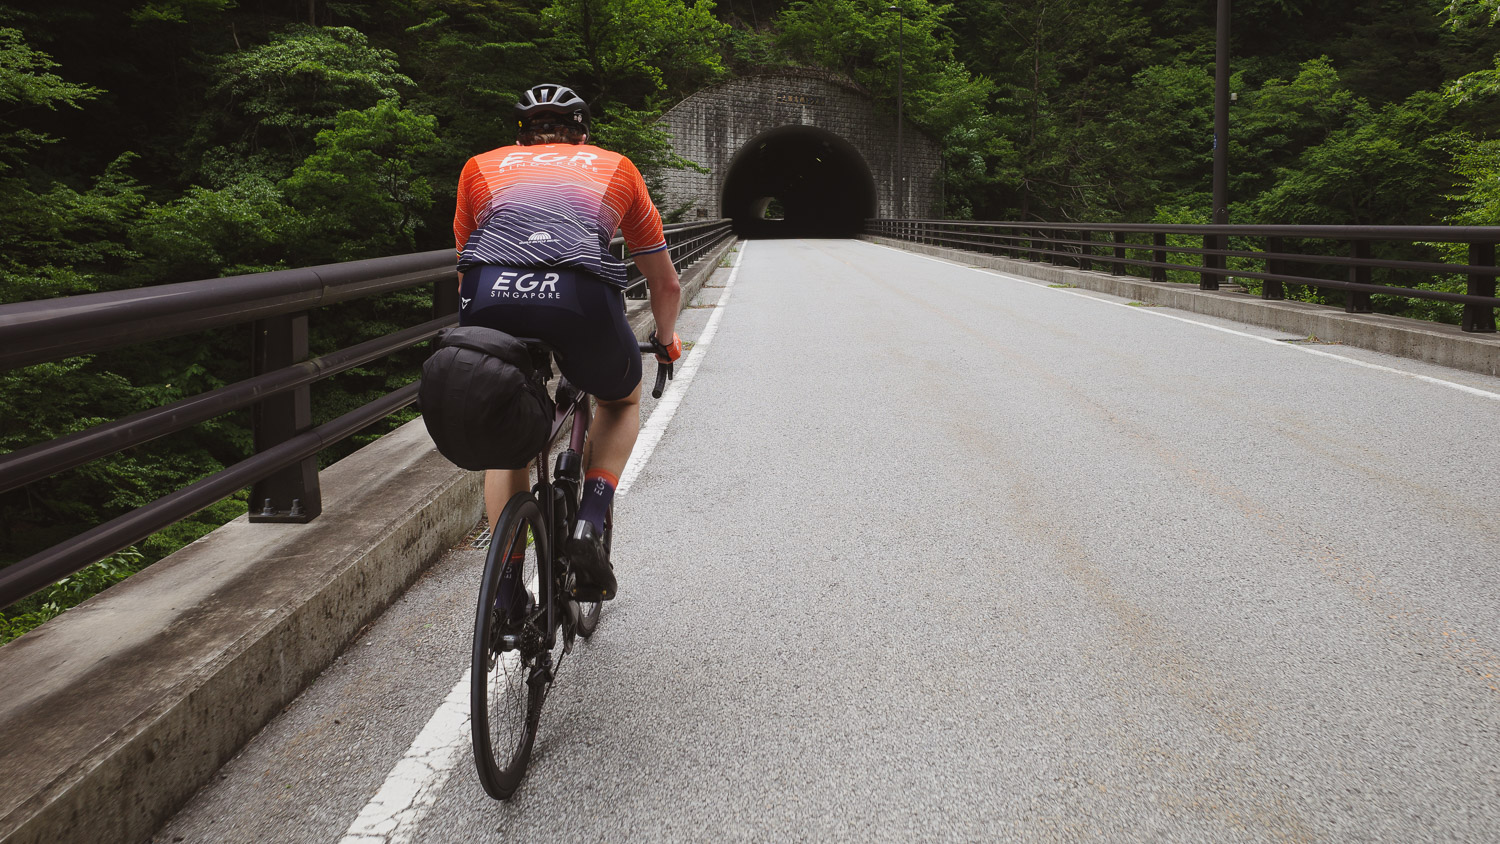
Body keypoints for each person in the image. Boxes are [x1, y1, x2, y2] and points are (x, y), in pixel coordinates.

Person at [453, 83, 682, 601]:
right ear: (583, 134)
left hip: (489, 294)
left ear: (520, 137)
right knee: (620, 400)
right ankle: (589, 521)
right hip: (580, 295)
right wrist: (666, 341)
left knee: (507, 434)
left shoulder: (479, 167)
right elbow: (665, 283)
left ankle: (507, 593)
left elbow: (465, 265)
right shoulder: (616, 167)